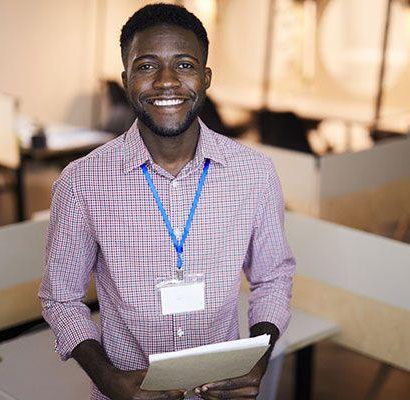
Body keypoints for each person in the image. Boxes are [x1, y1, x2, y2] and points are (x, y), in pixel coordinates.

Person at [39, 4, 295, 400]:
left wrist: (258, 355)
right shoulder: (81, 183)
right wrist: (108, 378)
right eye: (146, 66)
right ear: (126, 80)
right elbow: (61, 298)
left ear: (206, 78)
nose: (166, 82)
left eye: (185, 65)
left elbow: (272, 277)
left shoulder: (255, 174)